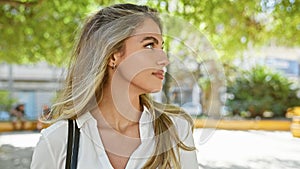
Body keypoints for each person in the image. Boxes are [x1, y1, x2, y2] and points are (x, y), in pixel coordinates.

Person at [31, 3, 198, 169]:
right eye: (149, 45)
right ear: (113, 56)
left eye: (161, 47)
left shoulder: (176, 130)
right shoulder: (57, 141)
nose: (164, 59)